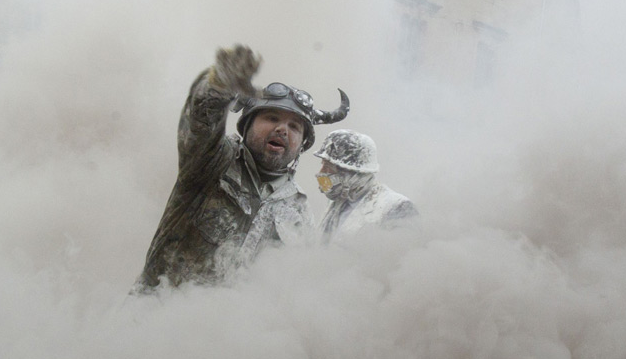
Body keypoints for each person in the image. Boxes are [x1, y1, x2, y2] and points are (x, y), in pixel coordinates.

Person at [133, 45, 349, 292]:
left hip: (230, 329)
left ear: (302, 145)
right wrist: (218, 85)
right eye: (272, 118)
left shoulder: (299, 211)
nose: (282, 130)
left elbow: (294, 290)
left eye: (294, 127)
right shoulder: (211, 160)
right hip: (152, 322)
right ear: (246, 126)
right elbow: (201, 120)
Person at [314, 129, 418, 243]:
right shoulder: (337, 203)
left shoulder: (397, 207)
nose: (322, 172)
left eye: (328, 167)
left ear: (354, 173)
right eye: (322, 164)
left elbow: (402, 256)